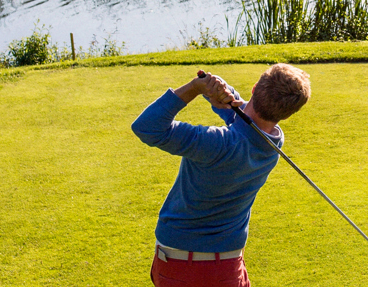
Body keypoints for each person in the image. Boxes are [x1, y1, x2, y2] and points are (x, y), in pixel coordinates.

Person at [132, 64, 312, 287]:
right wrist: (219, 92)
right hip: (229, 266)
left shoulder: (215, 143)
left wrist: (195, 88)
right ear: (288, 113)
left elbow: (146, 127)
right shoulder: (272, 142)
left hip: (180, 265)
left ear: (255, 88)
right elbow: (247, 117)